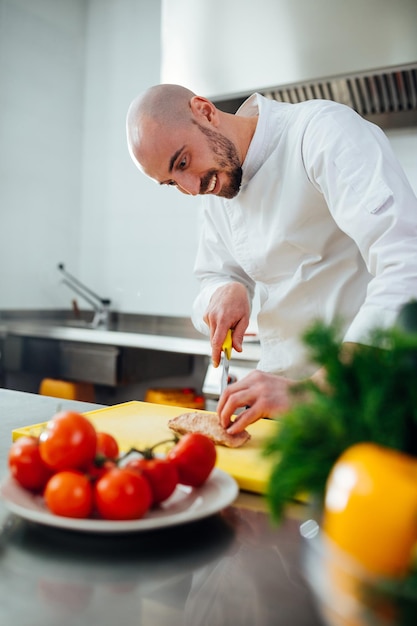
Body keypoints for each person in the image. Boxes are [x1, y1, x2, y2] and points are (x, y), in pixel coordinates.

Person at [126, 84, 417, 434]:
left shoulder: (321, 131)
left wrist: (319, 388)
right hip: (285, 409)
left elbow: (405, 258)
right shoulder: (215, 186)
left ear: (205, 111)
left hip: (367, 398)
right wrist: (226, 289)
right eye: (172, 183)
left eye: (183, 162)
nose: (190, 188)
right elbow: (213, 276)